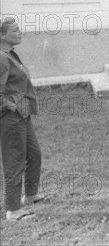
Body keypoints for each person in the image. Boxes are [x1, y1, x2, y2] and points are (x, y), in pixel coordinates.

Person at [0, 17, 45, 221]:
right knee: (14, 161)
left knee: (34, 154)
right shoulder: (1, 58)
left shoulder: (11, 54)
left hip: (22, 114)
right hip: (11, 117)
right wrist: (13, 107)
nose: (20, 32)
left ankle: (30, 194)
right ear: (3, 35)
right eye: (15, 30)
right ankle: (13, 209)